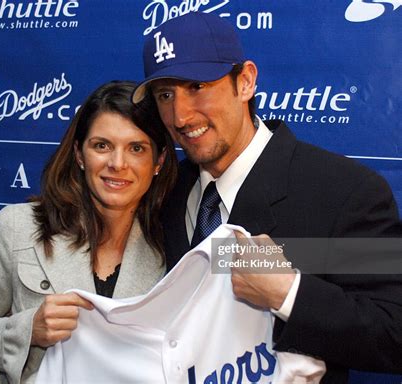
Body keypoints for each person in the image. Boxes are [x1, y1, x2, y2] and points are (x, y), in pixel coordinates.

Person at [132, 12, 402, 384]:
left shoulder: (344, 191)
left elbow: (395, 331)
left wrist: (290, 292)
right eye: (166, 95)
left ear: (245, 82)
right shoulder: (165, 192)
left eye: (197, 86)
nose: (180, 115)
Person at [0, 81, 178, 384]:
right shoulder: (17, 227)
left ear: (158, 162)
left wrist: (263, 263)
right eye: (102, 145)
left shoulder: (174, 242)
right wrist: (28, 329)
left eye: (136, 148)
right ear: (80, 155)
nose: (117, 164)